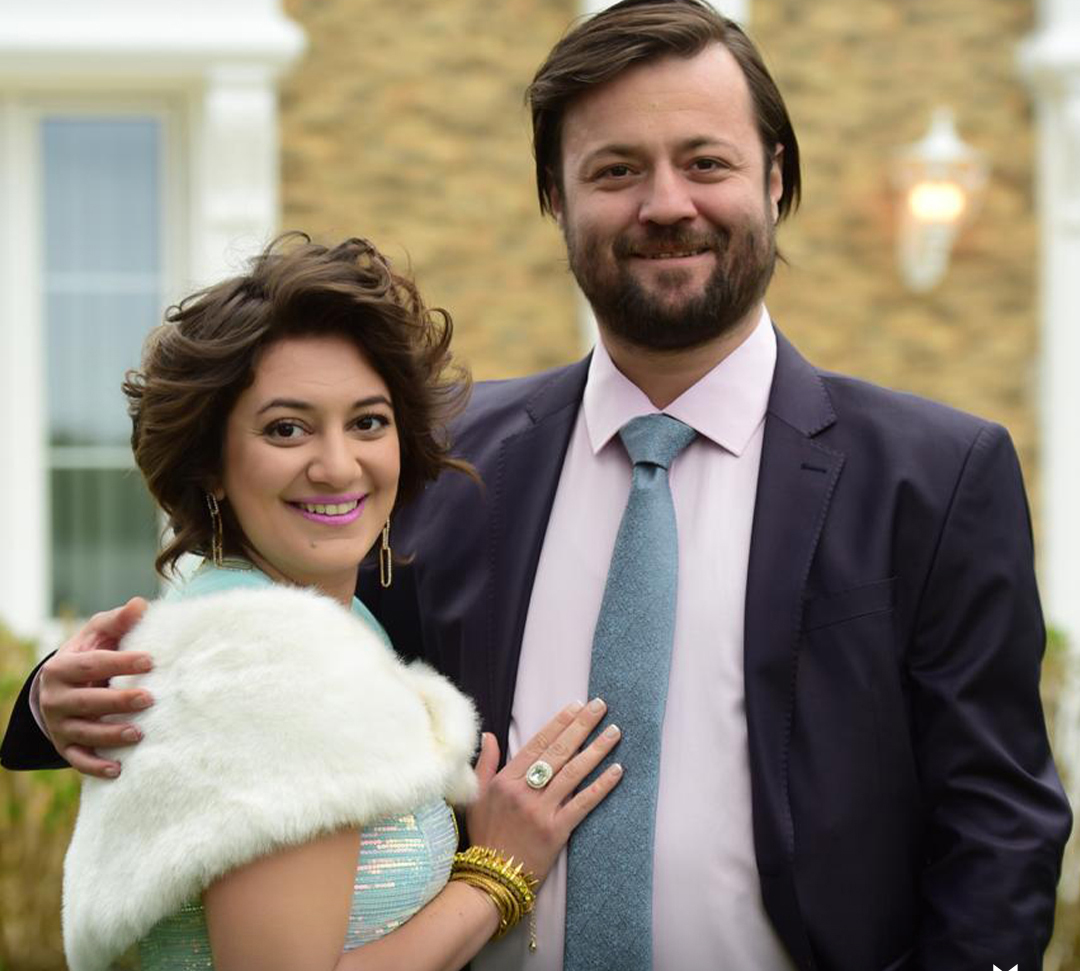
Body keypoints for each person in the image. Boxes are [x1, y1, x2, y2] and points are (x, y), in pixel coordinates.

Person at [1, 2, 1072, 969]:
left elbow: (999, 820)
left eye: (706, 162)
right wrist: (59, 697)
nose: (666, 203)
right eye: (615, 170)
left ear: (776, 178)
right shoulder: (435, 454)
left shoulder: (937, 474)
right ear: (554, 196)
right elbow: (277, 632)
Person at [37, 234, 624, 971]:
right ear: (212, 464)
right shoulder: (269, 662)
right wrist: (497, 875)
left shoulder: (307, 619)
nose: (339, 466)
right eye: (287, 428)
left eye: (368, 421)